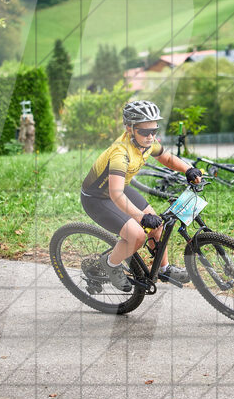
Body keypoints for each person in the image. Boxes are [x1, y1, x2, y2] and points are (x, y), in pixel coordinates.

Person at [79, 100, 202, 291]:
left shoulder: (146, 142)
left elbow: (166, 158)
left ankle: (164, 269)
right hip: (97, 198)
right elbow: (115, 194)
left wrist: (188, 169)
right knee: (137, 235)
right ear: (130, 128)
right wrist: (141, 217)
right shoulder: (121, 153)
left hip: (119, 188)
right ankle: (110, 264)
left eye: (154, 131)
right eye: (145, 132)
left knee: (157, 226)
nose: (151, 136)